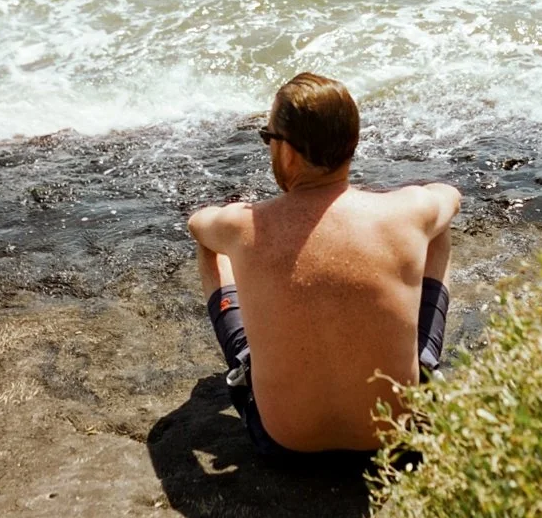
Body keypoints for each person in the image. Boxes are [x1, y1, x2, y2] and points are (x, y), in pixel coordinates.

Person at [187, 72, 461, 457]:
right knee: (436, 230)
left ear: (289, 152)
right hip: (392, 435)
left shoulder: (242, 226)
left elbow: (198, 224)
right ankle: (423, 364)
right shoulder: (407, 212)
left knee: (212, 248)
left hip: (284, 443)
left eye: (269, 138)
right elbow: (449, 196)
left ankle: (259, 367)